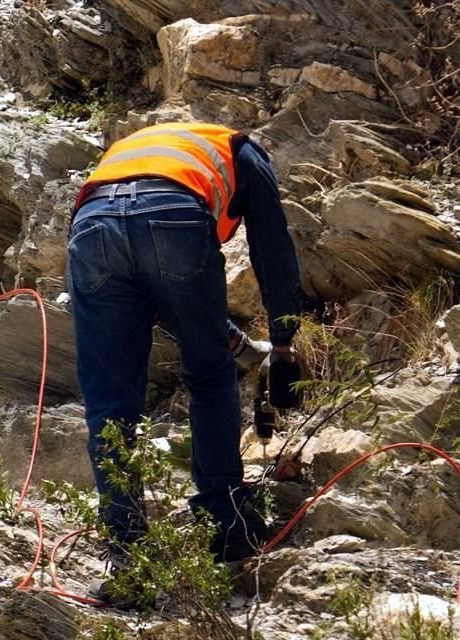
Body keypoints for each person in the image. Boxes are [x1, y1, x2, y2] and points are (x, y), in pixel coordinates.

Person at [66, 122, 303, 602]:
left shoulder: (142, 147)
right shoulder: (243, 149)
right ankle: (226, 528)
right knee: (209, 377)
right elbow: (272, 249)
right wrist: (282, 345)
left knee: (109, 404)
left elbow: (152, 290)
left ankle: (127, 559)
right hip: (173, 217)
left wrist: (236, 341)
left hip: (91, 228)